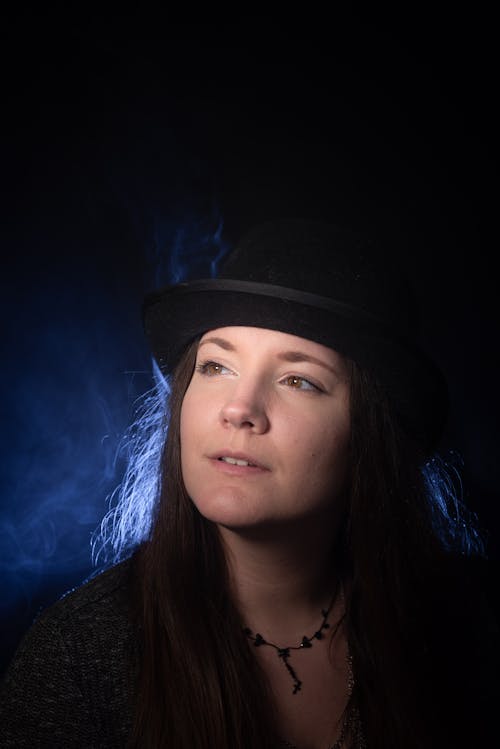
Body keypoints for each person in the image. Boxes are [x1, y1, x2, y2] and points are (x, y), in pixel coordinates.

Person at [0, 219, 497, 748]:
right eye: (216, 367)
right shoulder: (79, 654)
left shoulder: (474, 625)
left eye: (298, 380)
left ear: (368, 436)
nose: (240, 409)